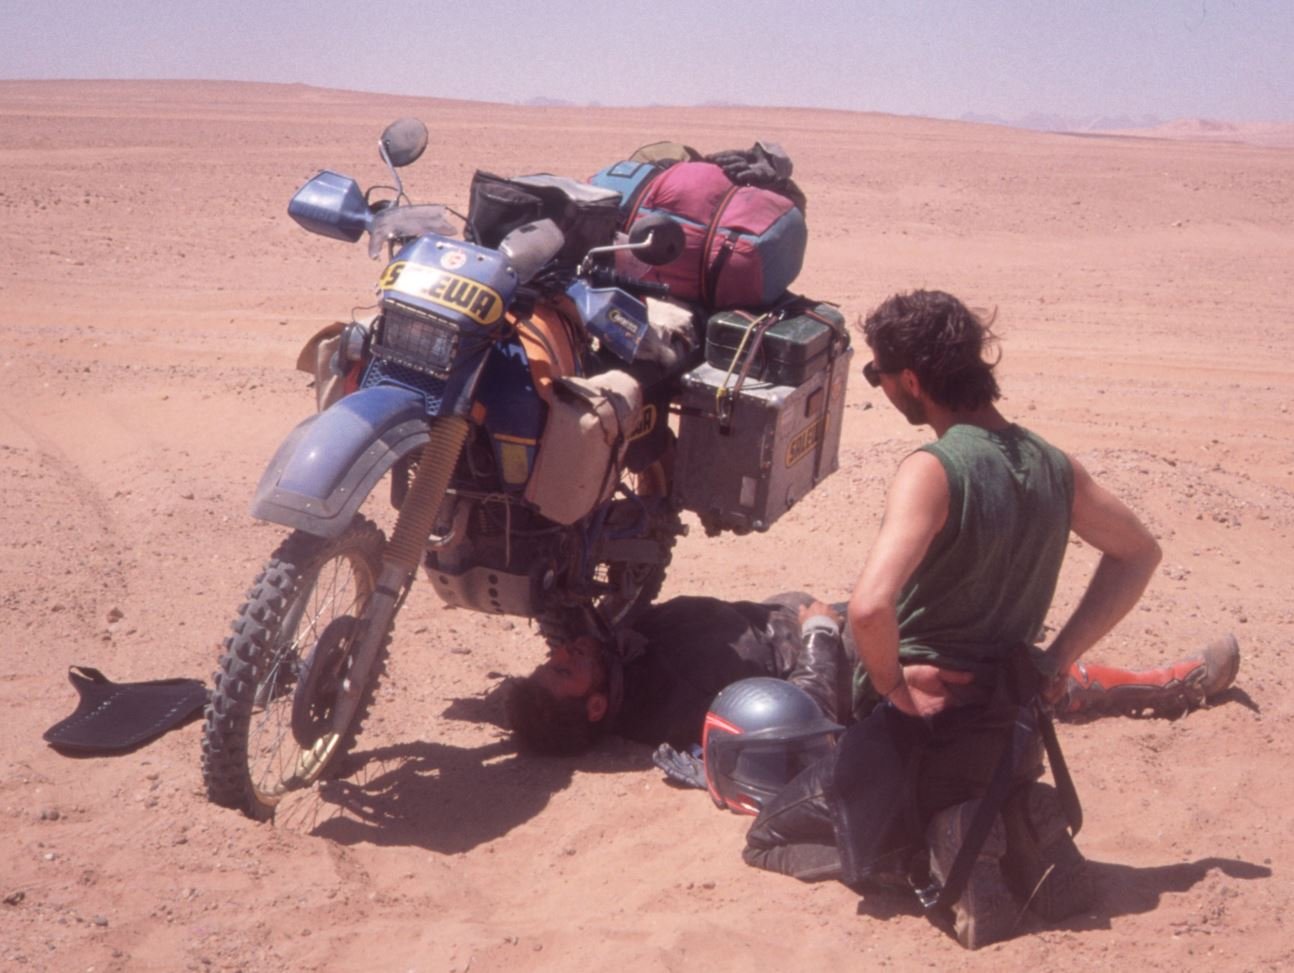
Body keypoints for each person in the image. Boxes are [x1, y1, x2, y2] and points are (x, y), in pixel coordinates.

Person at [743, 288, 1191, 950]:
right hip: (1009, 734)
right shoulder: (1053, 465)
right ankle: (1007, 818)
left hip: (922, 742)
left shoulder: (935, 469)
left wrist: (894, 687)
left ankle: (931, 849)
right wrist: (1056, 658)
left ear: (913, 381)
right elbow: (1139, 553)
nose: (879, 387)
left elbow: (869, 606)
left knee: (768, 836)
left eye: (877, 374)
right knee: (950, 784)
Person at [506, 591, 1238, 759]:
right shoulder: (676, 707)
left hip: (826, 618)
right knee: (1007, 675)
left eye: (551, 660)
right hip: (851, 661)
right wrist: (821, 632)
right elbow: (798, 715)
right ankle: (1161, 684)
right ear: (595, 708)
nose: (561, 655)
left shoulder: (620, 658)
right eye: (562, 672)